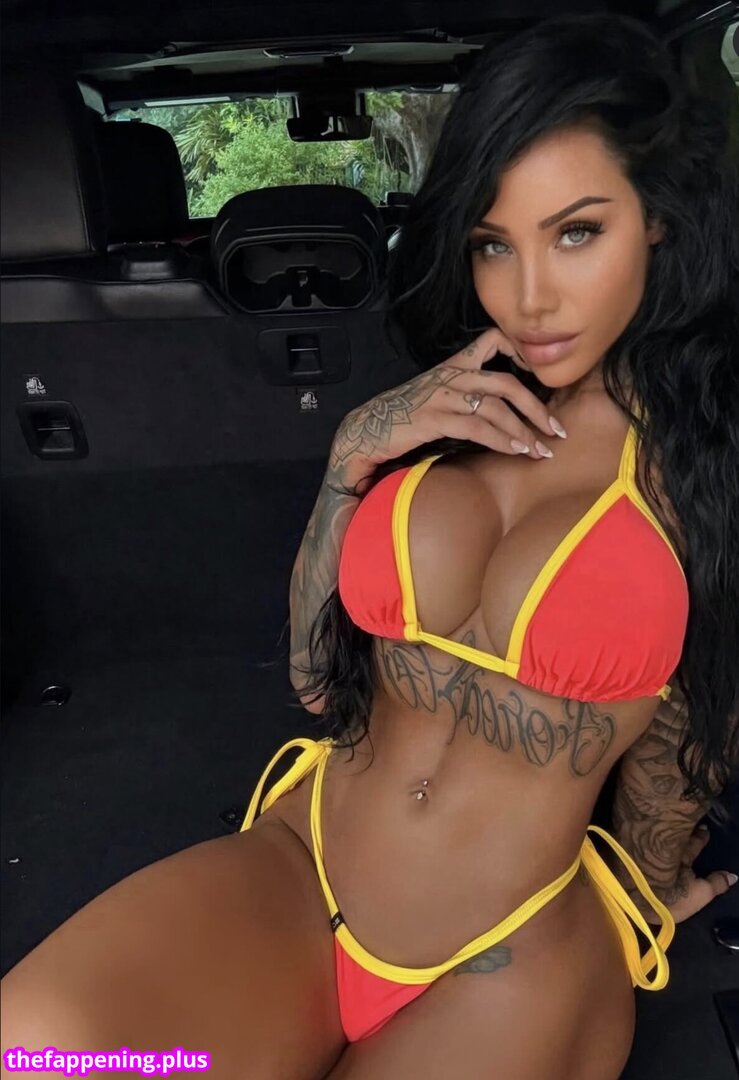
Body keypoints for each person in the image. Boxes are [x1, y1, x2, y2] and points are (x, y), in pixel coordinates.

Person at [2, 13, 738, 1080]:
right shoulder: (444, 411)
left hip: (508, 944)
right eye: (492, 243)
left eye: (576, 233)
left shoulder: (703, 464)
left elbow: (695, 717)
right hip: (304, 864)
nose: (527, 296)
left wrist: (650, 888)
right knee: (38, 1053)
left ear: (658, 221)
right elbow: (316, 676)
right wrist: (351, 457)